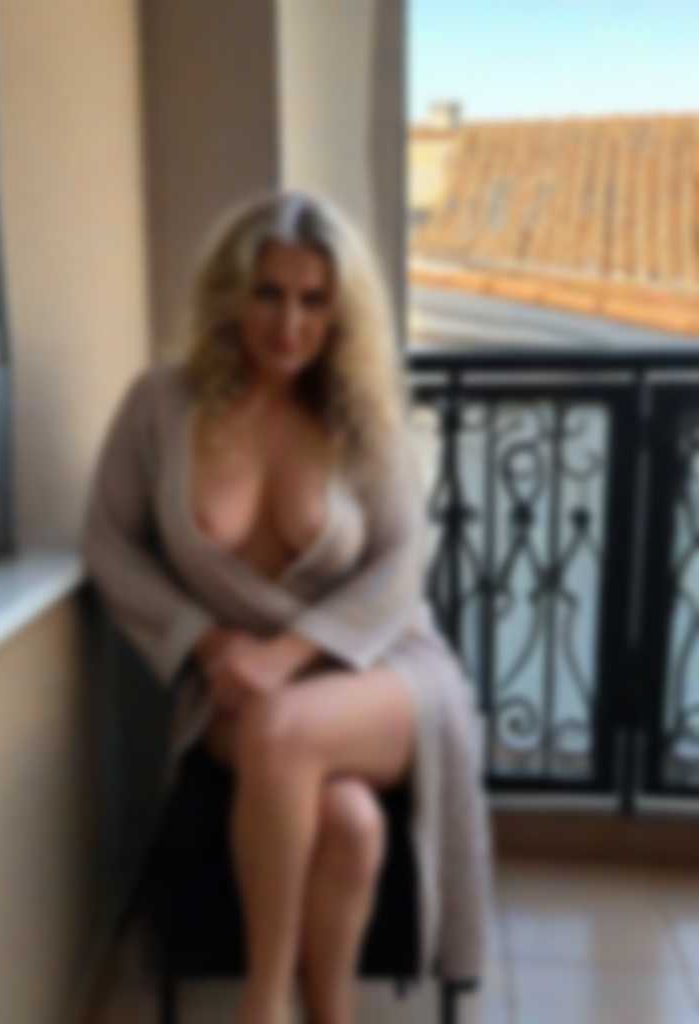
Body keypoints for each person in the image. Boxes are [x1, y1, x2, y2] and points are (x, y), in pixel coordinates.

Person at [82, 190, 489, 1024]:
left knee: (280, 729)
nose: (290, 323)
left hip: (379, 668)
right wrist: (203, 641)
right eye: (269, 293)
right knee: (350, 823)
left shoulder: (358, 415)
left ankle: (262, 1006)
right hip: (228, 680)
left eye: (314, 299)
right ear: (231, 292)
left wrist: (288, 653)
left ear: (341, 311)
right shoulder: (160, 405)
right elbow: (108, 544)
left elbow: (400, 564)